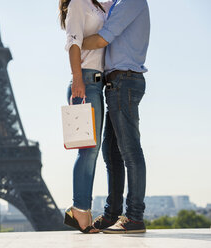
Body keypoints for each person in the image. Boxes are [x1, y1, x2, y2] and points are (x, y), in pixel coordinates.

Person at [81, 0, 150, 234]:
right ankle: (113, 214)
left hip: (124, 82)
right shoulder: (117, 3)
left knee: (130, 151)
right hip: (115, 83)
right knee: (111, 153)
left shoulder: (131, 1)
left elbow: (102, 39)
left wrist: (73, 43)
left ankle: (134, 217)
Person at [59, 0, 113, 233]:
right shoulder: (79, 3)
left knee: (92, 150)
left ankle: (83, 209)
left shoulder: (97, 5)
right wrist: (77, 78)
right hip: (86, 82)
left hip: (98, 83)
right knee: (88, 150)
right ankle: (80, 208)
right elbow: (73, 41)